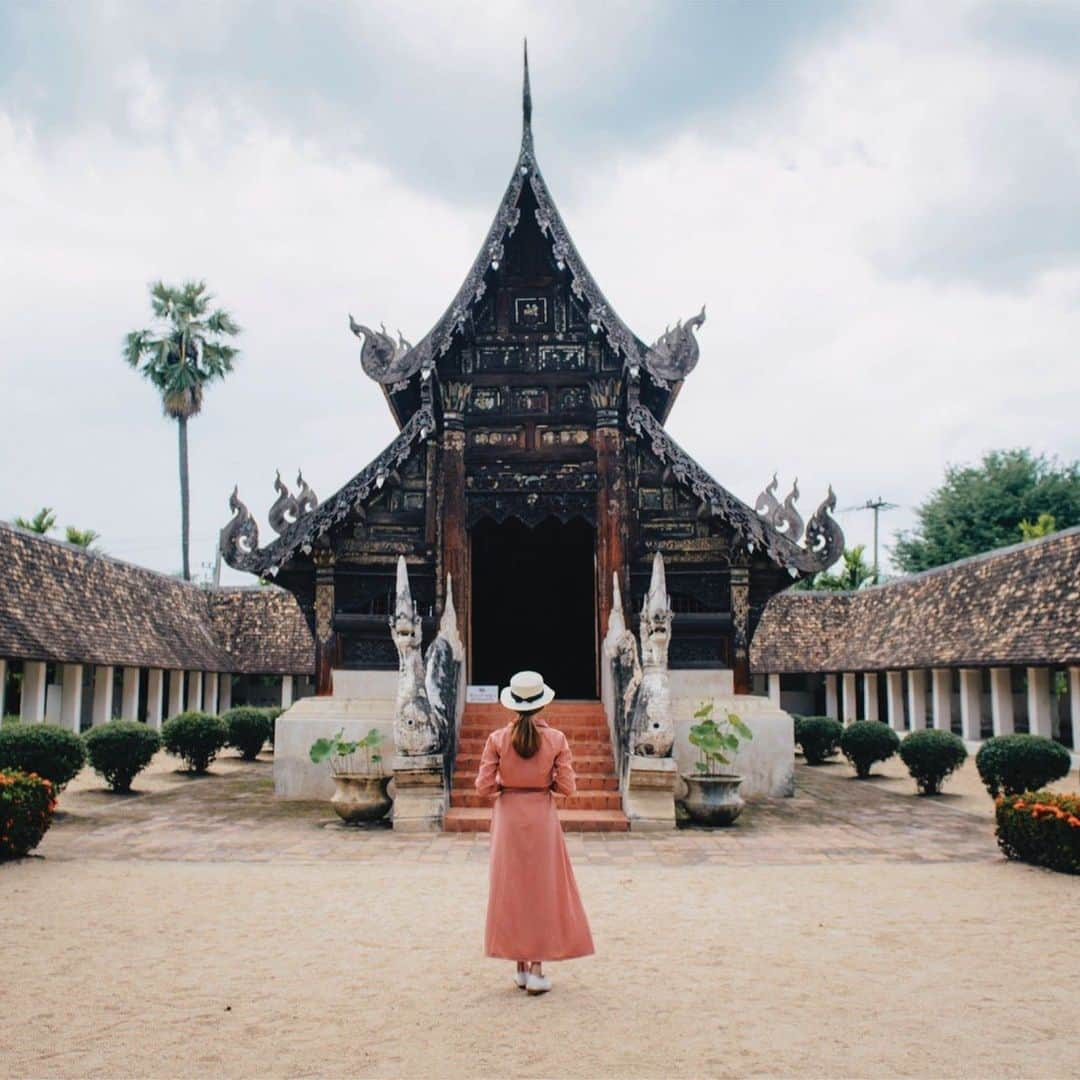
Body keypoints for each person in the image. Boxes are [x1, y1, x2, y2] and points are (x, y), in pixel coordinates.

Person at [475, 669, 595, 995]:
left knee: (510, 888)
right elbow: (568, 787)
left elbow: (484, 788)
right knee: (542, 889)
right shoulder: (556, 739)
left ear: (512, 704)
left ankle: (519, 967)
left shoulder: (497, 739)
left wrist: (507, 782)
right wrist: (544, 783)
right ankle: (539, 968)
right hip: (542, 815)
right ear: (542, 704)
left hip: (509, 816)